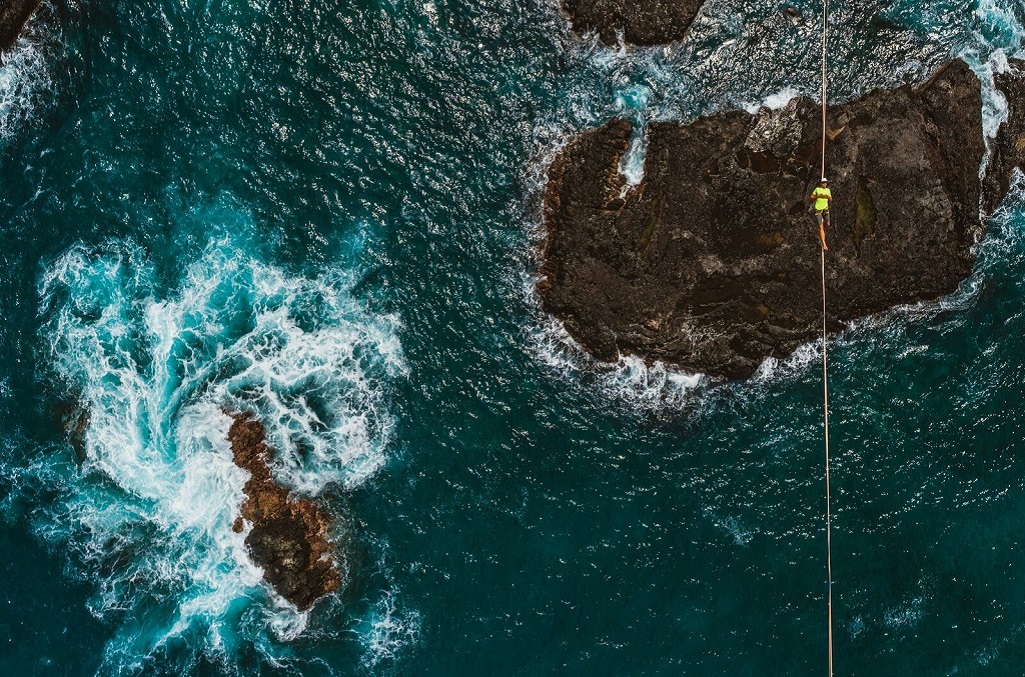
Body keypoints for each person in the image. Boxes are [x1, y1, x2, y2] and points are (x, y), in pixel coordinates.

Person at [810, 178, 832, 250]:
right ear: (821, 183)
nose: (824, 184)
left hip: (825, 209)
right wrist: (818, 196)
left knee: (828, 224)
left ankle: (823, 229)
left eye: (825, 183)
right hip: (818, 210)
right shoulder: (817, 189)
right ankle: (824, 244)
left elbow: (831, 199)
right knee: (821, 226)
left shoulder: (828, 190)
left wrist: (828, 197)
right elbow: (811, 197)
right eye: (823, 183)